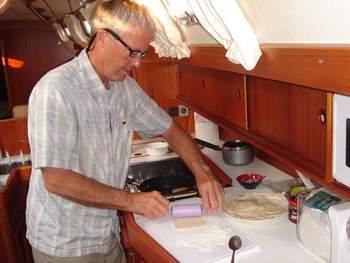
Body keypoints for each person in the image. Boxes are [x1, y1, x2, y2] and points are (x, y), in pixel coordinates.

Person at [26, 0, 224, 262]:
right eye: (133, 52)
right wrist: (132, 202)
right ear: (104, 38)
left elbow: (171, 130)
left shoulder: (125, 90)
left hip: (106, 231)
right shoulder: (57, 89)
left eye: (142, 54)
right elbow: (56, 179)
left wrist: (203, 172)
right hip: (64, 243)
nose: (137, 63)